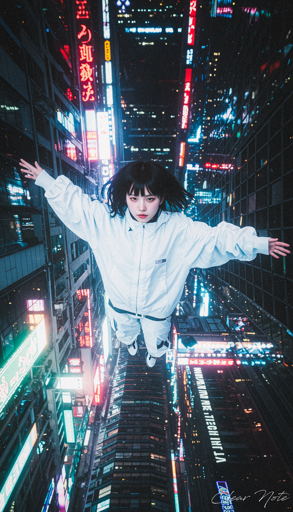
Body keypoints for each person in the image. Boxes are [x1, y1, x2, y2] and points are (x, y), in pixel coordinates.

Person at [19, 159, 290, 367]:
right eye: (134, 198)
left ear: (160, 198)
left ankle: (154, 352)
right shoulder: (106, 224)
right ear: (125, 195)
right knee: (125, 335)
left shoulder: (178, 230)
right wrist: (45, 180)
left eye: (149, 198)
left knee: (157, 344)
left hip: (158, 312)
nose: (141, 207)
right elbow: (76, 205)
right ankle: (131, 344)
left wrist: (257, 243)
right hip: (120, 306)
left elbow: (216, 239)